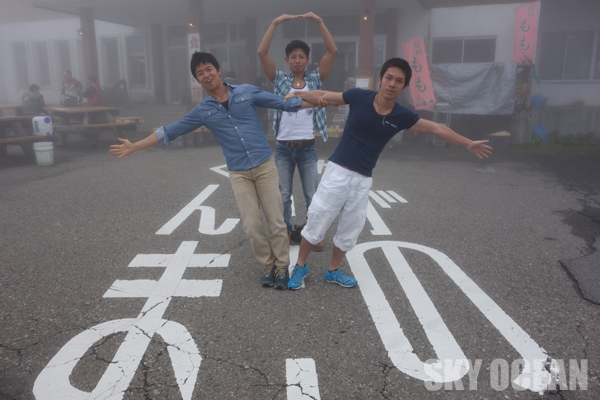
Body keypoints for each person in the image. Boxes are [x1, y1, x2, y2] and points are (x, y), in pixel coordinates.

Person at [283, 57, 493, 290]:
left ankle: (333, 270)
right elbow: (326, 95)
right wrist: (299, 94)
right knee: (318, 218)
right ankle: (300, 265)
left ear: (404, 86)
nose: (392, 84)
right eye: (389, 78)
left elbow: (435, 127)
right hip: (338, 172)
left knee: (350, 228)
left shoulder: (401, 115)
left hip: (363, 179)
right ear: (381, 79)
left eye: (399, 81)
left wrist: (468, 143)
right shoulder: (359, 96)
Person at [109, 52, 314, 290]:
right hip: (239, 173)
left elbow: (285, 102)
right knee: (251, 225)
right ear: (197, 80)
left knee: (276, 221)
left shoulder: (246, 92)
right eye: (200, 73)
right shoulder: (203, 111)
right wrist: (134, 146)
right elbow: (170, 131)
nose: (206, 75)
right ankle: (268, 264)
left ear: (218, 70)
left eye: (208, 69)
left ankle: (282, 265)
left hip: (264, 166)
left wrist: (325, 100)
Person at [258, 12, 337, 251]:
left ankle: (314, 235)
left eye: (301, 56)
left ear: (308, 59)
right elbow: (262, 53)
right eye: (293, 56)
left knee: (312, 195)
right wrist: (274, 22)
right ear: (287, 60)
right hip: (283, 148)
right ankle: (284, 231)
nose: (297, 60)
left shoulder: (316, 79)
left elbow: (332, 51)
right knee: (283, 195)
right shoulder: (280, 80)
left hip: (307, 148)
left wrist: (320, 22)